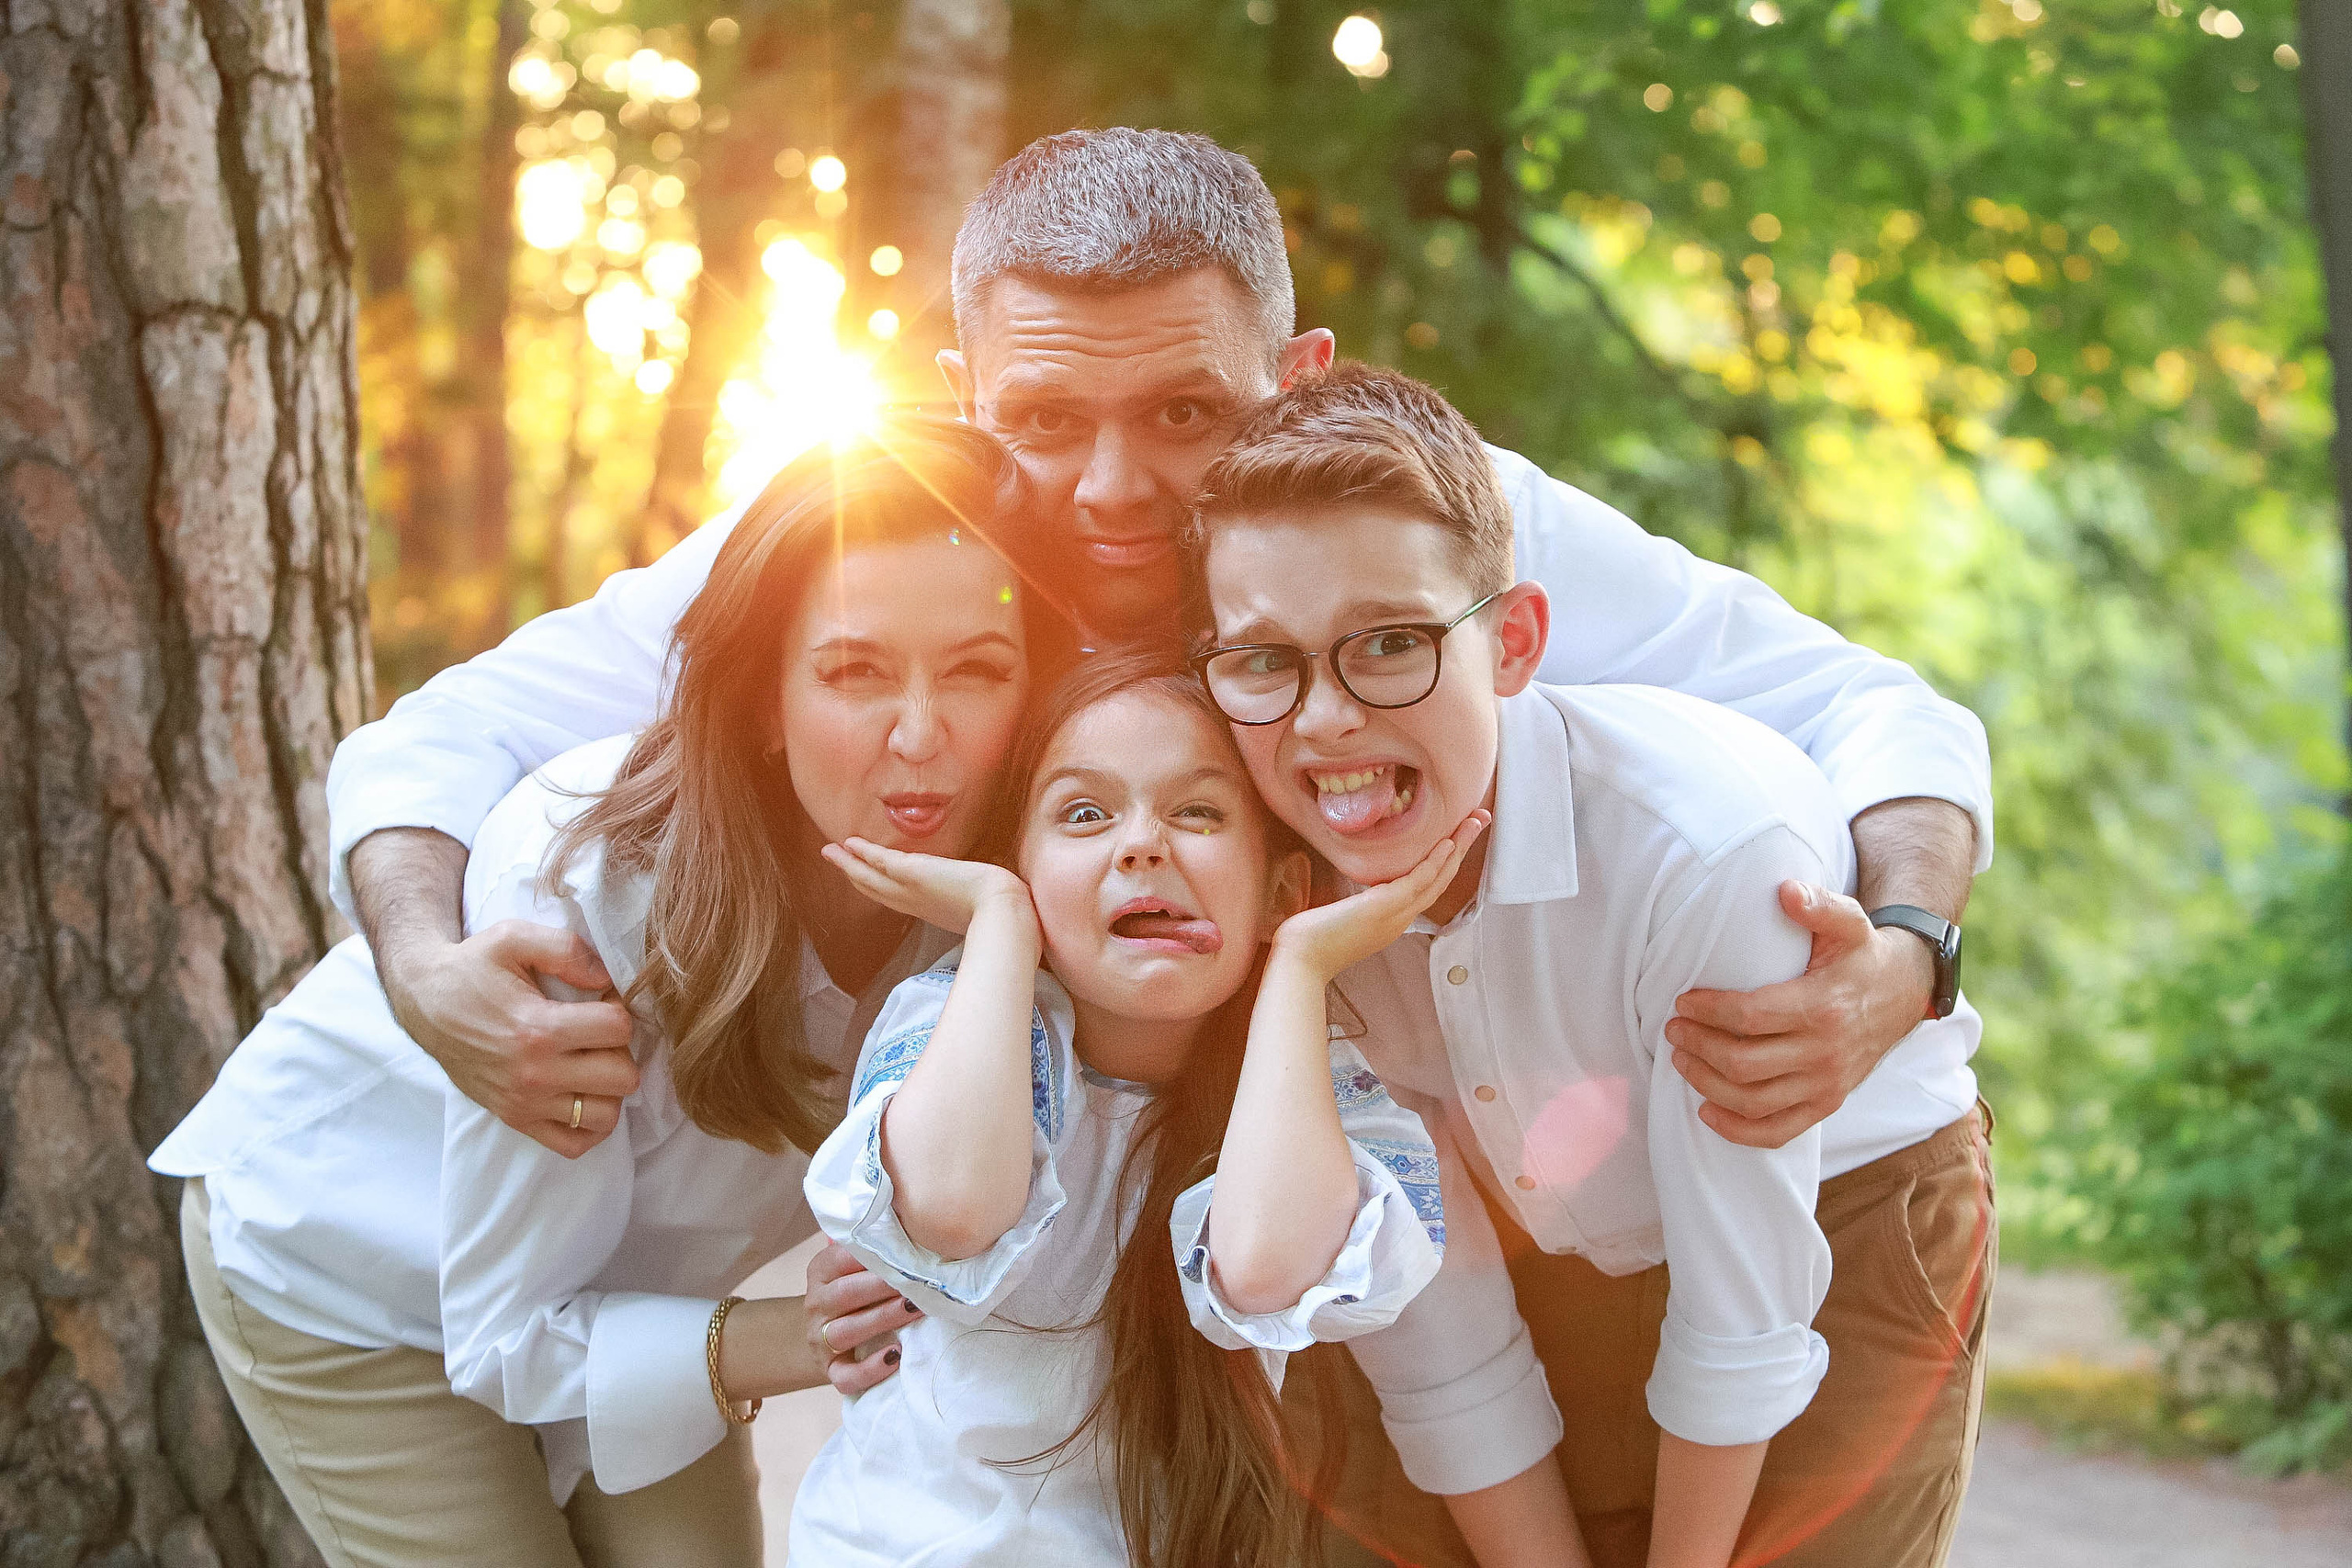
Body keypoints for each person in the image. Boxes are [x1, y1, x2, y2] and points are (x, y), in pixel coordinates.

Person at [326, 133, 1990, 1251]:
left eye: (1189, 414)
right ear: (962, 390)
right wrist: (420, 965)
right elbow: (445, 735)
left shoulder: (1431, 522)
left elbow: (1868, 704)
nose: (1113, 489)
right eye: (1046, 421)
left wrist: (1907, 954)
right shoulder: (878, 539)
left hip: (1599, 1187)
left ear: (1299, 375)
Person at [148, 418, 1048, 1565]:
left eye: (977, 670)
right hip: (356, 1259)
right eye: (851, 671)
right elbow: (505, 1336)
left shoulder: (1014, 884)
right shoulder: (583, 885)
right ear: (764, 704)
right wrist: (805, 1334)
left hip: (644, 1289)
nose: (919, 736)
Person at [1184, 363, 1995, 1568]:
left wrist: (1910, 941)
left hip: (1834, 1203)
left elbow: (1742, 1315)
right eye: (1264, 661)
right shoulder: (1277, 882)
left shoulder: (1712, 855)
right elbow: (1442, 1313)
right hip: (1547, 1219)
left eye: (1391, 645)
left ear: (1513, 642)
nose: (1325, 718)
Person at [786, 649, 1466, 1565]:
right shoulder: (956, 1022)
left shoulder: (1306, 1090)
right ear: (1020, 869)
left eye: (1197, 812)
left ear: (1280, 891)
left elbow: (1261, 1269)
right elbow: (954, 1209)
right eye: (1083, 814)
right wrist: (999, 919)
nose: (1142, 845)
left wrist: (1302, 963)